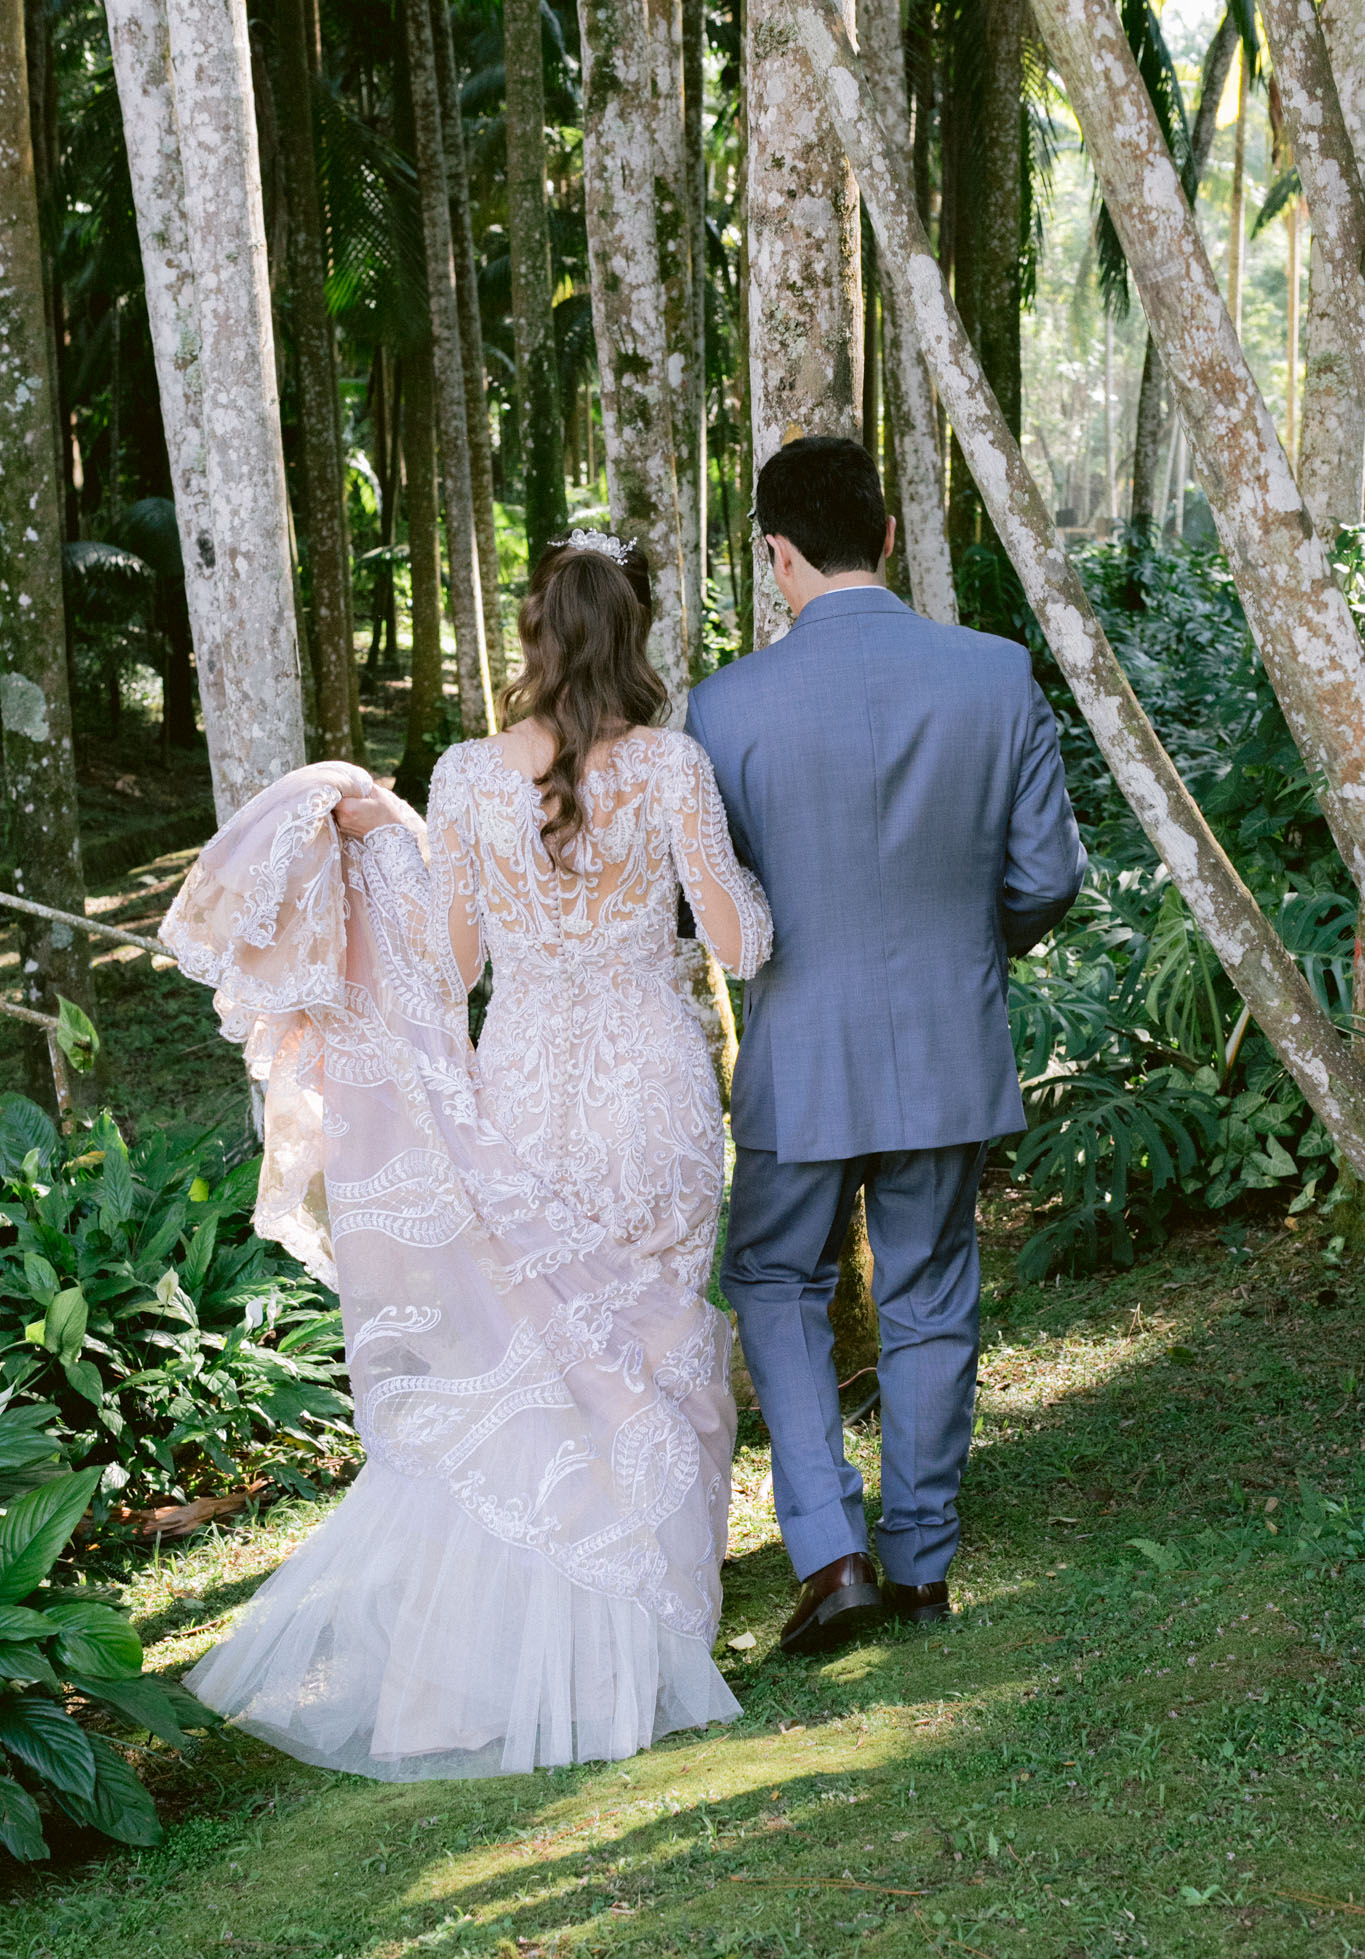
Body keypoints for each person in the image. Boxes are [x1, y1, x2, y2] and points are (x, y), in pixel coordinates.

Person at [159, 531, 772, 1778]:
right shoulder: (675, 768)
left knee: (543, 1356)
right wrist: (757, 893)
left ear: (537, 636)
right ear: (636, 632)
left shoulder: (467, 777)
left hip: (529, 1092)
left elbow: (450, 969)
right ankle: (646, 1625)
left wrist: (387, 842)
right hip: (652, 1096)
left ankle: (516, 1654)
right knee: (645, 1342)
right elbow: (740, 944)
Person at [685, 436, 1085, 1655]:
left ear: (775, 555)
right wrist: (967, 949)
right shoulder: (994, 673)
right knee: (929, 1297)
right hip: (946, 1045)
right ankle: (918, 1560)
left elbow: (714, 902)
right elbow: (1048, 874)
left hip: (800, 1053)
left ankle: (832, 1549)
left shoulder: (725, 705)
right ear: (892, 539)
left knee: (771, 1279)